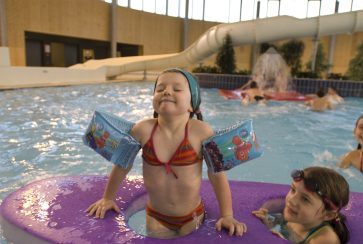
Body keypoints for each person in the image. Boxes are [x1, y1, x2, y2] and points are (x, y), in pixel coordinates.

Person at [86, 68, 246, 238]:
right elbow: (122, 165)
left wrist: (227, 215)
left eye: (177, 89)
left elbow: (217, 175)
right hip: (157, 217)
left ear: (192, 103)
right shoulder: (142, 130)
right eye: (160, 89)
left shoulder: (201, 132)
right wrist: (108, 198)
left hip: (192, 216)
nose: (167, 91)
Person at [252, 167, 349, 244]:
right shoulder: (297, 218)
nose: (292, 200)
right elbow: (282, 227)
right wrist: (268, 220)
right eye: (293, 190)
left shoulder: (325, 240)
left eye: (305, 199)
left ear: (328, 215)